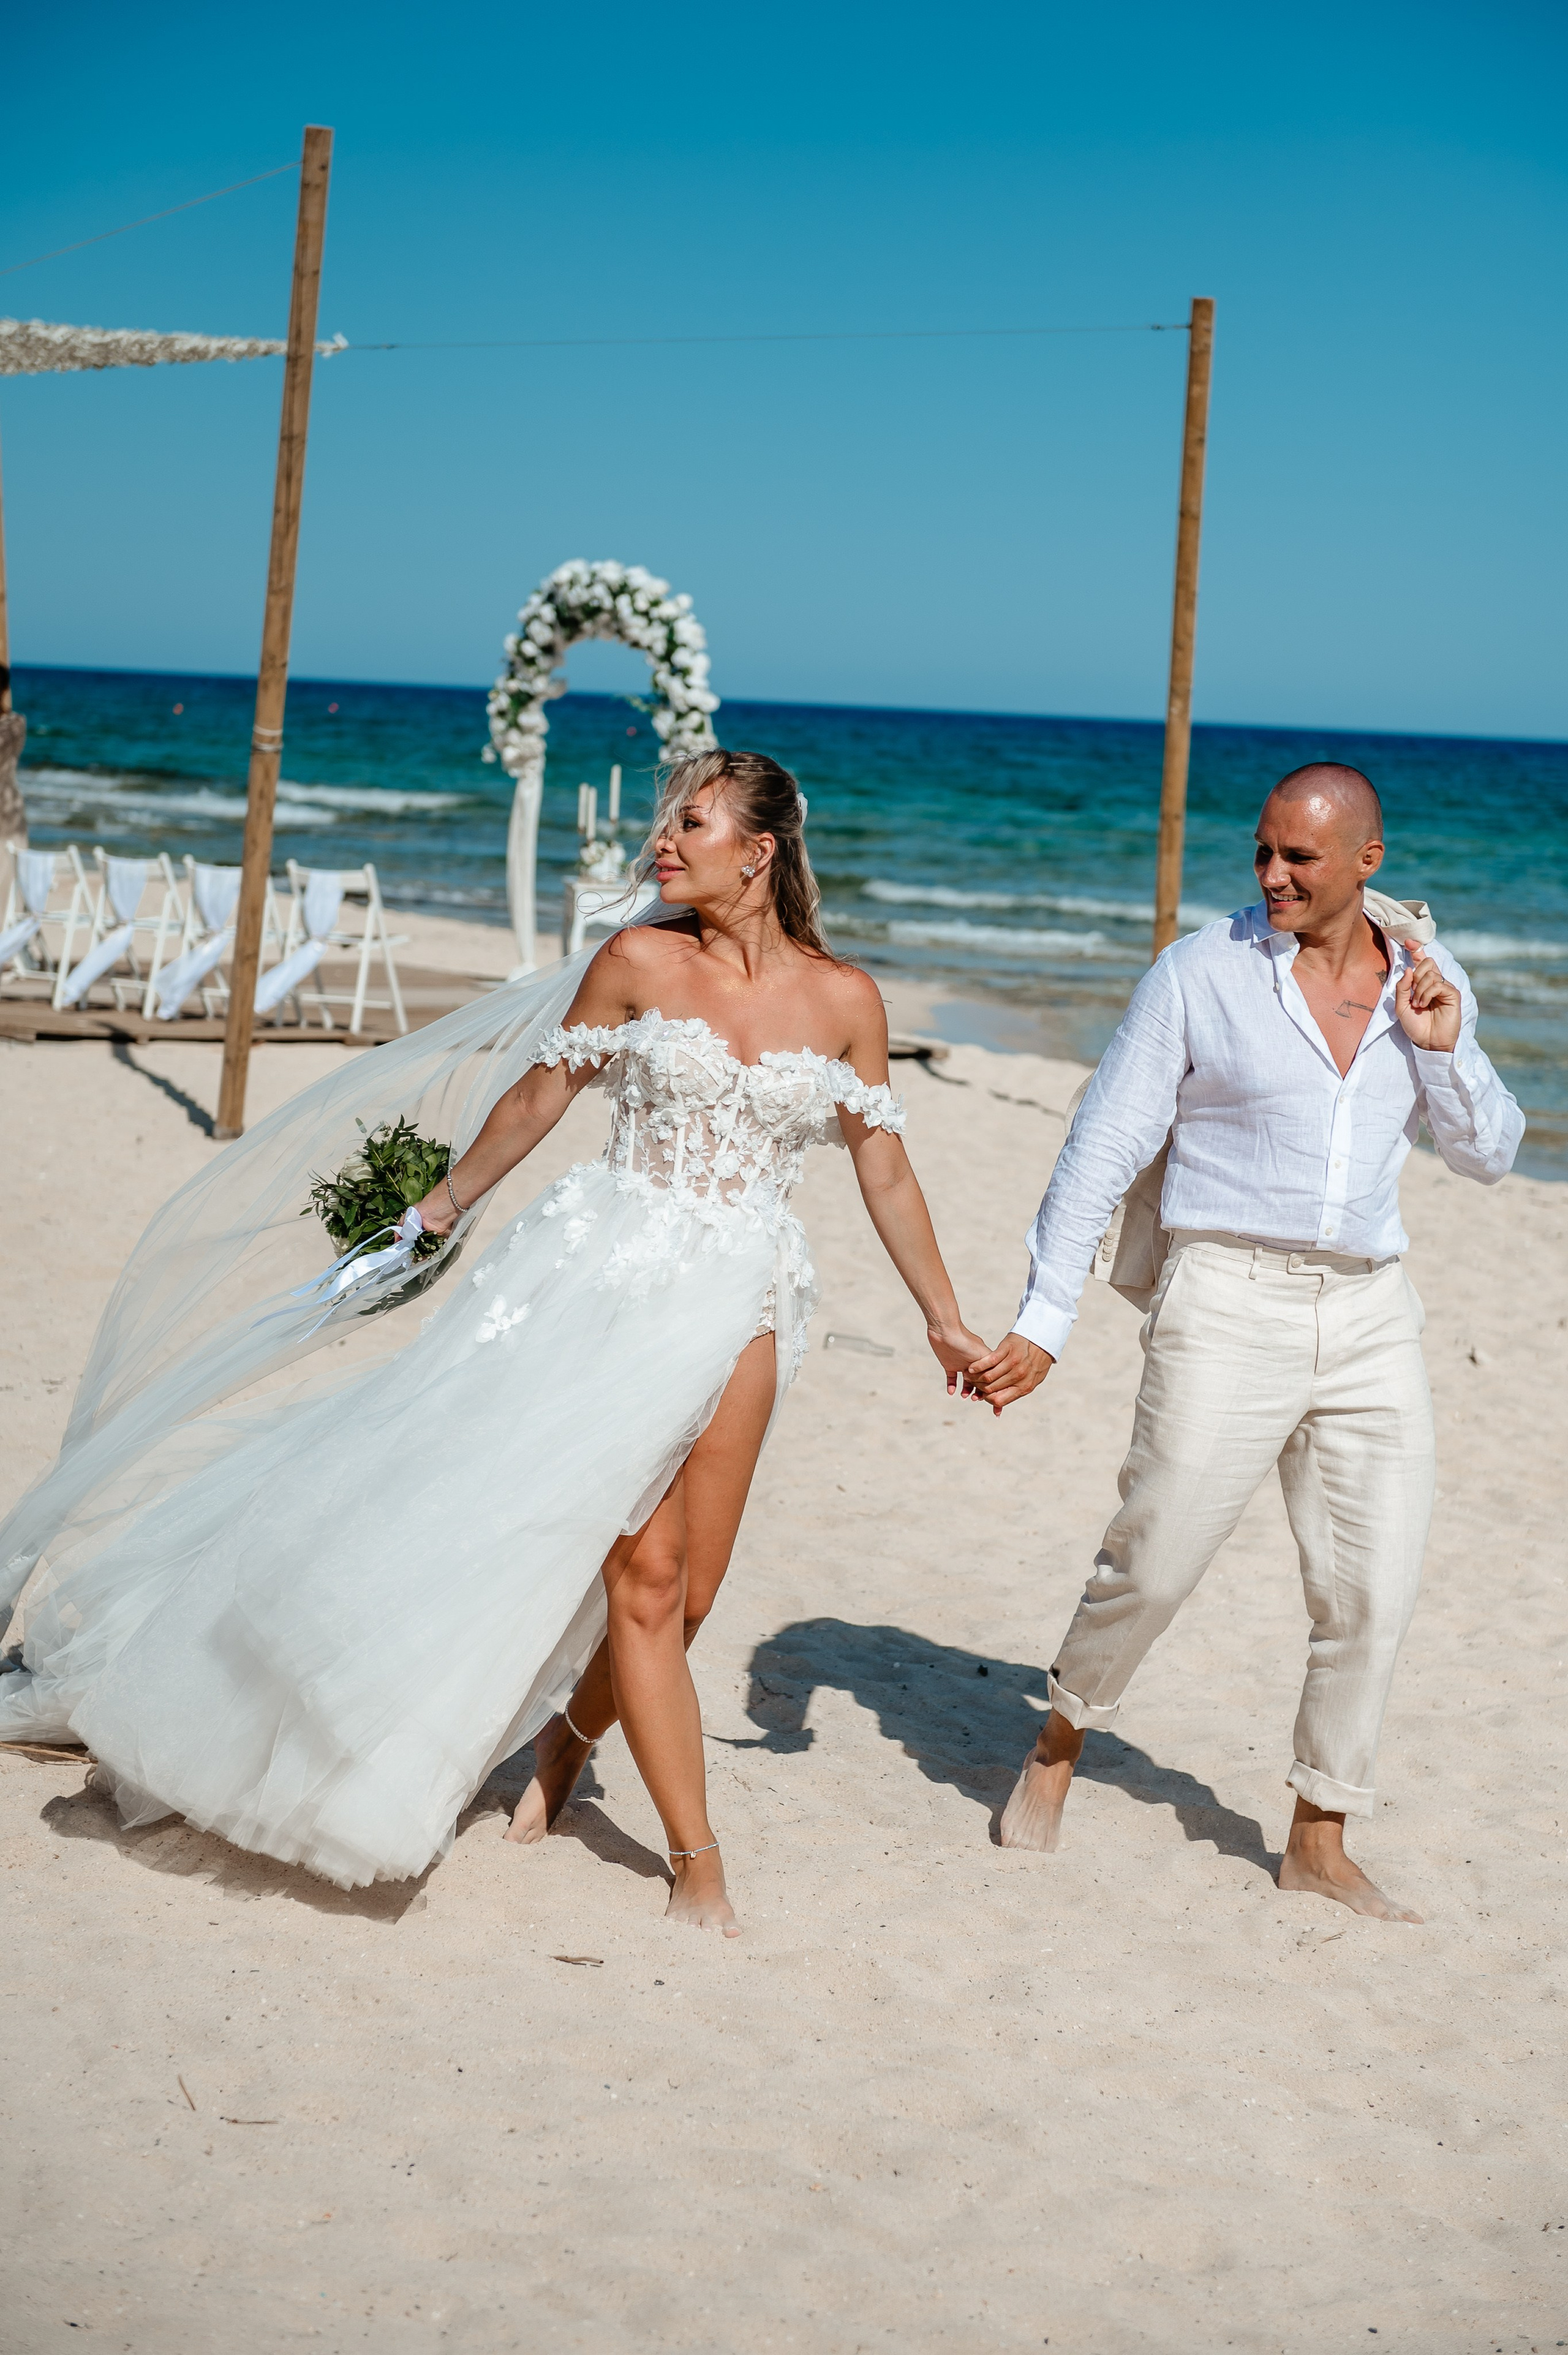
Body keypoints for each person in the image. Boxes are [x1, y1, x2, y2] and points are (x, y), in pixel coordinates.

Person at [0, 749, 987, 1937]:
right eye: (664, 821)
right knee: (646, 1575)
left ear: (759, 849)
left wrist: (942, 1313)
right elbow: (538, 1095)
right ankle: (697, 1863)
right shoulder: (636, 961)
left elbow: (879, 1156)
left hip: (745, 1293)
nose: (661, 841)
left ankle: (569, 1740)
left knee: (699, 1590)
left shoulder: (844, 998)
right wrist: (437, 1207)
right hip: (602, 1272)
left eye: (690, 821)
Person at [968, 763, 1523, 1921]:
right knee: (1156, 1556)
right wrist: (1044, 1319)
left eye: (1300, 858)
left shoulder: (1428, 976)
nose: (1272, 874)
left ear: (1367, 861)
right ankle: (1060, 1743)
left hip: (1372, 1309)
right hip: (1225, 1297)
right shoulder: (1201, 973)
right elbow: (1102, 1147)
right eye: (1263, 851)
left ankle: (1319, 1835)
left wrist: (1441, 1048)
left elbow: (1489, 1152)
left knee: (1374, 1589)